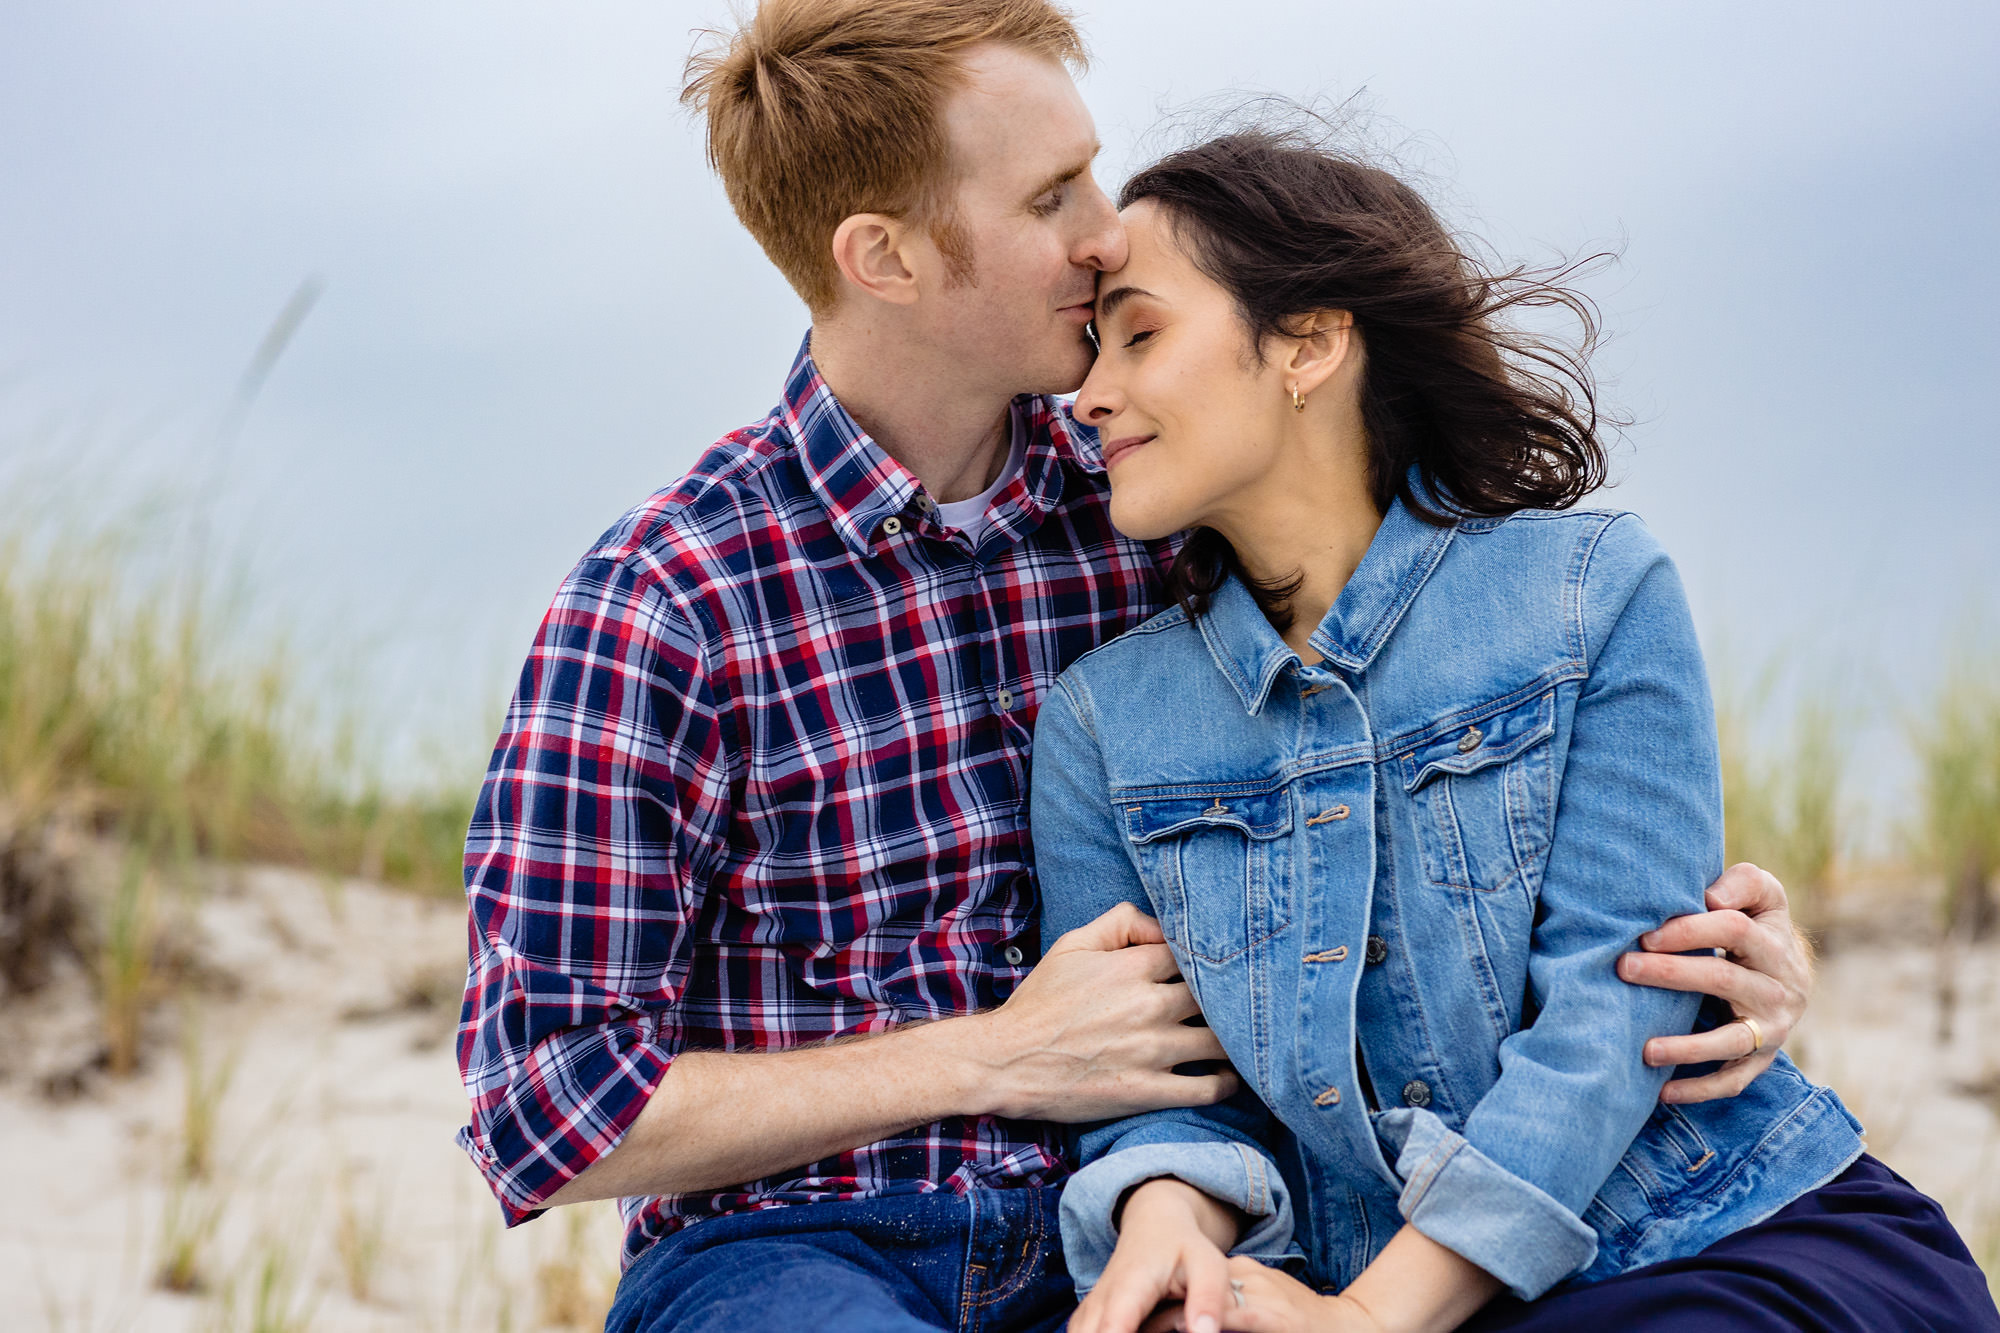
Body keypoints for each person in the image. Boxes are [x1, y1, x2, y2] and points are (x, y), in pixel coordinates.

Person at [452, 4, 1824, 1330]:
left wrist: (1706, 947)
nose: (1104, 231)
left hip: (1150, 1219)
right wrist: (991, 1054)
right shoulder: (666, 607)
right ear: (884, 257)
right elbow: (543, 1109)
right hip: (801, 1251)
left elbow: (1420, 723)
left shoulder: (1148, 501)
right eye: (1051, 198)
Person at [1033, 125, 2000, 1333]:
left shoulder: (1594, 593)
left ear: (1308, 342)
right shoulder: (1099, 725)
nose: (1088, 395)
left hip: (1697, 1238)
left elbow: (1618, 1005)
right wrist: (1170, 1230)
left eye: (1139, 333)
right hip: (1332, 1287)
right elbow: (1154, 1082)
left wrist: (1374, 1320)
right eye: (1088, 351)